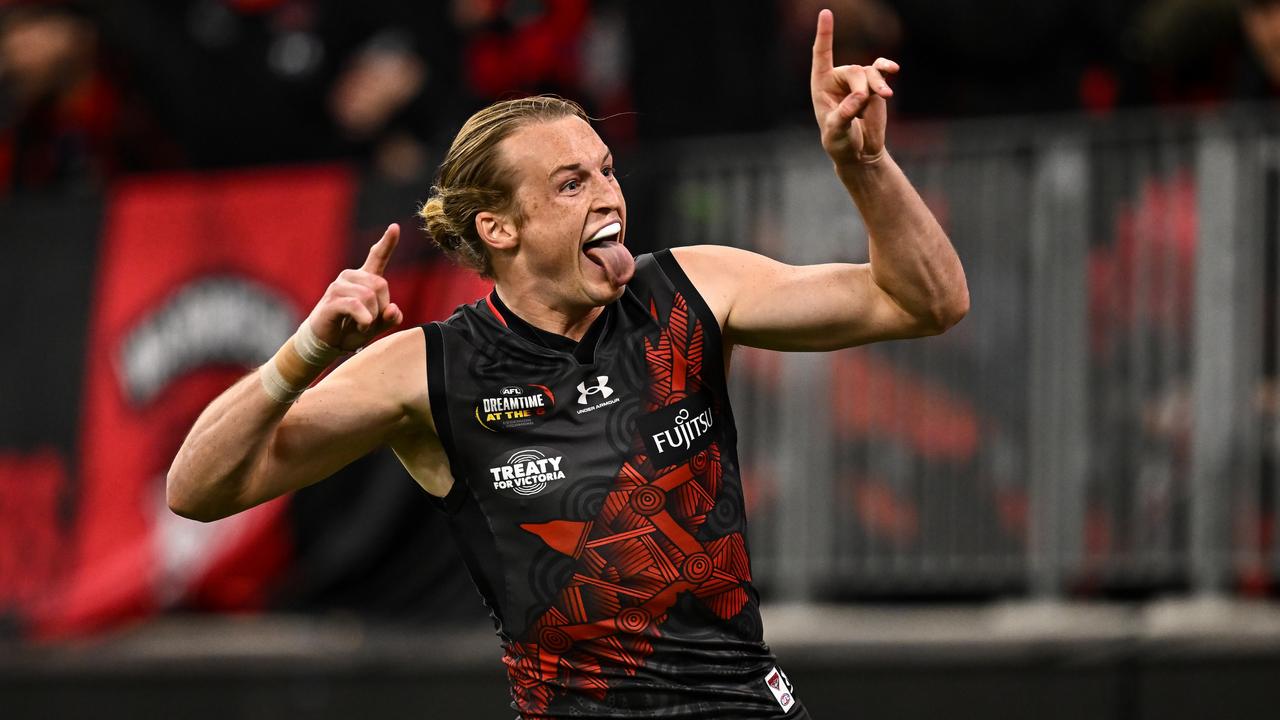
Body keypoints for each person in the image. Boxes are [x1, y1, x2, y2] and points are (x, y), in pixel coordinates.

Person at [167, 9, 967, 718]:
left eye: (608, 170)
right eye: (571, 182)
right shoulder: (428, 369)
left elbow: (925, 303)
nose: (609, 197)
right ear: (500, 229)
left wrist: (864, 167)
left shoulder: (691, 289)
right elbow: (197, 490)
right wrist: (305, 353)